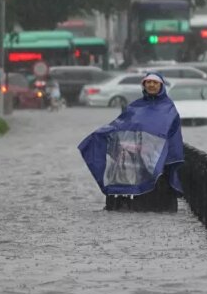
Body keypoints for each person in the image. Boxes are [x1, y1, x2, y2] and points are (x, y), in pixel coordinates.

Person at [78, 72, 184, 212]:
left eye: (155, 82)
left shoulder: (169, 108)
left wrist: (170, 158)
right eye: (148, 82)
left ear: (161, 86)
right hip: (136, 161)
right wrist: (102, 134)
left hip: (160, 164)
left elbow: (173, 135)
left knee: (157, 202)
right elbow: (120, 125)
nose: (151, 85)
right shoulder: (135, 107)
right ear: (144, 85)